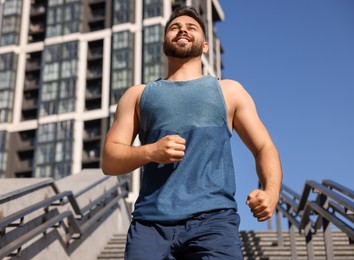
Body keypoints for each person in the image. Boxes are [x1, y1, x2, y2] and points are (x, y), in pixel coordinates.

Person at [102, 6, 282, 260]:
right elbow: (109, 160)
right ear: (164, 43)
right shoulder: (138, 95)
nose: (182, 29)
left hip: (214, 223)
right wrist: (151, 151)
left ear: (205, 45)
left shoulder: (229, 91)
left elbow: (264, 147)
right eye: (174, 27)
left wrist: (271, 191)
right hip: (150, 225)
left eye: (191, 27)